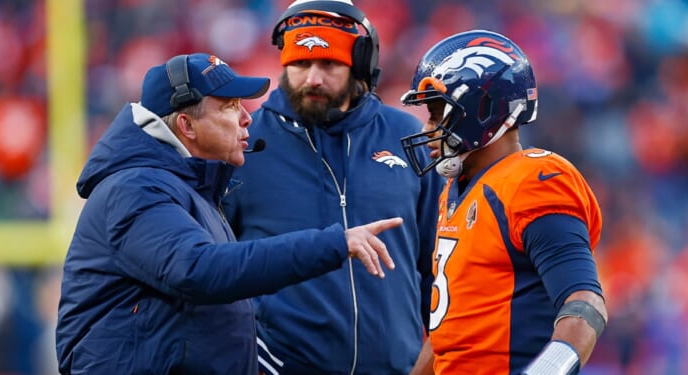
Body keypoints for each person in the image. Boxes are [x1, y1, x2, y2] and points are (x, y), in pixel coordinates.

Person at [55, 52, 405, 375]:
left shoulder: (186, 189)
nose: (246, 117)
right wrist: (333, 243)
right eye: (230, 106)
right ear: (186, 126)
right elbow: (200, 270)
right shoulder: (136, 188)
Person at [221, 1, 443, 374]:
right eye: (300, 64)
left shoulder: (407, 138)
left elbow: (437, 271)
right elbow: (213, 271)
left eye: (328, 64)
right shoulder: (243, 144)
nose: (313, 78)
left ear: (359, 66)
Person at [400, 30, 608, 375]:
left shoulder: (533, 180)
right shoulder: (453, 192)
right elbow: (450, 333)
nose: (429, 126)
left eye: (438, 113)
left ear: (481, 109)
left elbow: (585, 303)